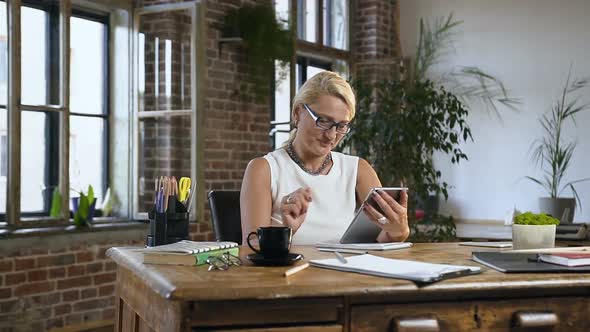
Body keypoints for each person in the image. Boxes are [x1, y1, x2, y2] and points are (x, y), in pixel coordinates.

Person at [240, 71, 409, 245]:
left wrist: (398, 233)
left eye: (341, 125)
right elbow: (249, 250)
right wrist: (286, 232)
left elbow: (377, 242)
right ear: (298, 113)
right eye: (323, 121)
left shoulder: (358, 170)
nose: (331, 135)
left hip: (348, 271)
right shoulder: (264, 169)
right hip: (290, 273)